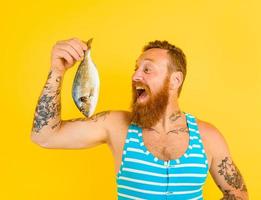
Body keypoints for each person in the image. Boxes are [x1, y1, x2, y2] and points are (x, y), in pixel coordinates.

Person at [31, 38, 248, 200]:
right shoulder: (116, 126)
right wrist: (57, 70)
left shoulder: (207, 136)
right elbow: (45, 136)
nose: (135, 76)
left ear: (175, 80)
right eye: (136, 68)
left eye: (147, 69)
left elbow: (238, 194)